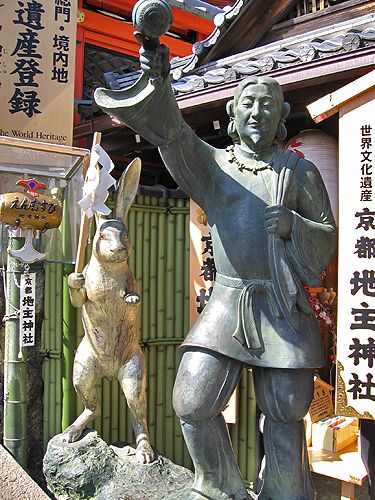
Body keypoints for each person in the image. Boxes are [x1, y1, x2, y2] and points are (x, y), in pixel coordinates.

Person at [95, 38, 336, 500]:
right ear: (232, 114)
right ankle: (220, 486)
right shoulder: (215, 164)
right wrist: (159, 75)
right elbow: (174, 135)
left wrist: (295, 225)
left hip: (282, 307)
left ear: (281, 118)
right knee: (192, 399)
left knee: (286, 409)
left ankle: (286, 492)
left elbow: (327, 236)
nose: (257, 113)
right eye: (248, 103)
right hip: (228, 302)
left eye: (268, 105)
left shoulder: (299, 172)